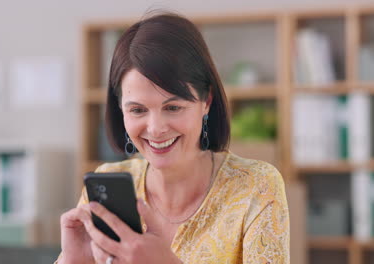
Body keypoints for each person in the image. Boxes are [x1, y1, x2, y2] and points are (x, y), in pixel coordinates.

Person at [56, 12, 289, 264]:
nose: (155, 129)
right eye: (137, 110)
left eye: (173, 107)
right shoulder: (104, 186)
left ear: (206, 102)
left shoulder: (256, 186)